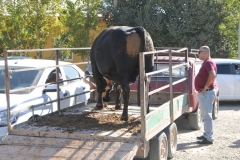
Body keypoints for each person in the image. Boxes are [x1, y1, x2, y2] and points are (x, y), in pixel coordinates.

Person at [194, 46, 217, 144]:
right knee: (205, 115)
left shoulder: (208, 62)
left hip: (206, 92)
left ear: (205, 53)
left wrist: (205, 87)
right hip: (206, 92)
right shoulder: (207, 62)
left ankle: (209, 138)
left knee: (207, 116)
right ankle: (206, 134)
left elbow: (212, 74)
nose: (198, 54)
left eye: (199, 52)